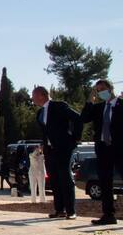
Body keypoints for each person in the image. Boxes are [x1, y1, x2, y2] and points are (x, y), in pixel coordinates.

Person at [33, 86, 83, 219]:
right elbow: (45, 131)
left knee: (65, 178)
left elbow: (77, 118)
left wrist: (75, 138)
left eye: (34, 96)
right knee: (54, 179)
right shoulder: (40, 113)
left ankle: (71, 211)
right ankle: (59, 210)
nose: (32, 99)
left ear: (42, 95)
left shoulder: (59, 106)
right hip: (50, 150)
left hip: (63, 148)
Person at [80, 80, 122, 225]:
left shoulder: (121, 105)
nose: (100, 92)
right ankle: (108, 215)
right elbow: (84, 118)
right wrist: (89, 101)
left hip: (120, 148)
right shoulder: (98, 108)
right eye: (97, 91)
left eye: (102, 89)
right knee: (105, 182)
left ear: (110, 89)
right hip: (103, 148)